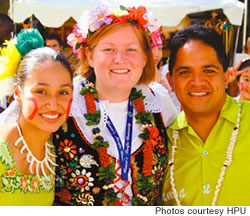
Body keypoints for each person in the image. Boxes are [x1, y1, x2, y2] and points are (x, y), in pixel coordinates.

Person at [53, 5, 177, 206]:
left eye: (131, 49)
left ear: (145, 58)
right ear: (90, 56)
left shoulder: (158, 101)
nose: (120, 59)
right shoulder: (64, 100)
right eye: (109, 49)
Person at [162, 25, 250, 206]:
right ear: (171, 81)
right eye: (185, 72)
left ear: (226, 77)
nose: (197, 82)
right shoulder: (161, 142)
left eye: (208, 71)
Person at [0, 34, 73, 205]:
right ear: (18, 92)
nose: (53, 105)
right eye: (41, 91)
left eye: (63, 92)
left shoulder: (55, 152)